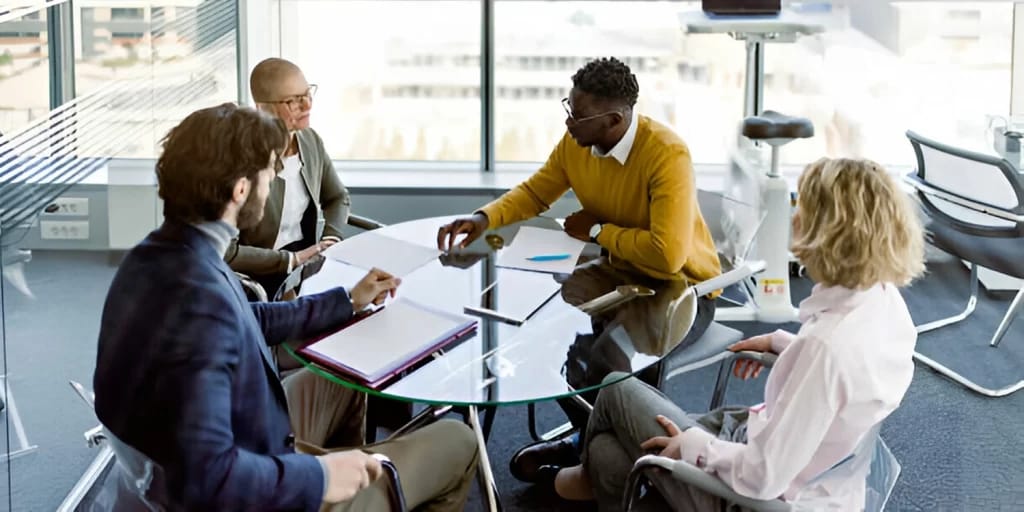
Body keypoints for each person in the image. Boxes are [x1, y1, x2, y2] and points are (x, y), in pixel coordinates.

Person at [93, 103, 477, 511]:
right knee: (459, 441)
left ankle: (357, 487)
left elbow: (245, 319)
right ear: (240, 190)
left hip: (229, 447)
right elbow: (206, 479)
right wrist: (321, 477)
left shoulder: (157, 257)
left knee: (340, 376)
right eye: (269, 170)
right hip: (248, 491)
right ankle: (343, 491)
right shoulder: (199, 304)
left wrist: (347, 301)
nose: (274, 177)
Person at [536, 157, 925, 511]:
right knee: (608, 455)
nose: (793, 218)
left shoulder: (827, 351)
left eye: (803, 208)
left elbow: (763, 476)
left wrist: (694, 446)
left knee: (615, 386)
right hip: (793, 453)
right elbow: (850, 384)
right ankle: (597, 476)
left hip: (756, 494)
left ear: (831, 233)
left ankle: (579, 479)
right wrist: (785, 347)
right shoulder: (883, 302)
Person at [437, 56, 722, 478]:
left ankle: (623, 459)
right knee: (547, 343)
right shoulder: (578, 144)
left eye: (578, 113)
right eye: (568, 107)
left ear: (614, 120)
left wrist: (598, 231)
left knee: (608, 356)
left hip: (681, 290)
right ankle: (593, 438)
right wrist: (484, 218)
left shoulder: (666, 154)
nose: (569, 121)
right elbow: (538, 191)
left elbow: (668, 255)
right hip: (618, 273)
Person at [225, 57, 351, 298]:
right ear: (262, 107)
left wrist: (331, 237)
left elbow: (337, 197)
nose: (306, 105)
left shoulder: (310, 140)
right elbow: (227, 251)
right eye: (293, 101)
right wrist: (291, 260)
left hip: (304, 270)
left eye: (307, 94)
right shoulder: (241, 158)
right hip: (254, 279)